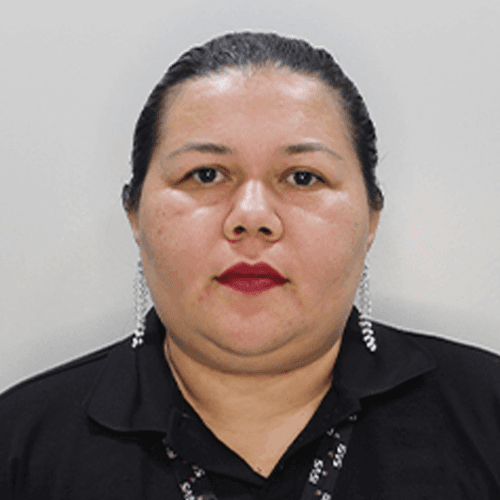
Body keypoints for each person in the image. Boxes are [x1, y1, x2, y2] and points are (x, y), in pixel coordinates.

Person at [1, 31, 500, 500]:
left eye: (303, 177)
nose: (253, 217)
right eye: (206, 174)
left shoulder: (487, 414)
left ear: (371, 218)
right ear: (135, 214)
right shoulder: (18, 445)